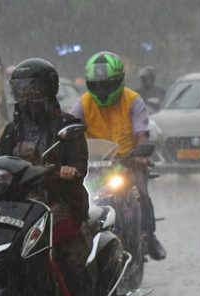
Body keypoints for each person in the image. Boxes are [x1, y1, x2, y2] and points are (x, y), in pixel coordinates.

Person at [0, 58, 90, 296]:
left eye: (33, 89)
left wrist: (68, 171)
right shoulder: (12, 130)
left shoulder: (66, 126)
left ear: (48, 90)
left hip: (58, 201)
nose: (26, 96)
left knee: (58, 248)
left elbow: (79, 164)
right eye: (21, 90)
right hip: (18, 205)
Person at [71, 51, 166, 260]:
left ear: (119, 81)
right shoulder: (83, 104)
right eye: (97, 85)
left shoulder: (133, 101)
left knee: (141, 195)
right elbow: (69, 131)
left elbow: (141, 134)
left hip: (128, 164)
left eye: (107, 85)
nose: (102, 90)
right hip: (93, 166)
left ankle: (149, 237)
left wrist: (140, 155)